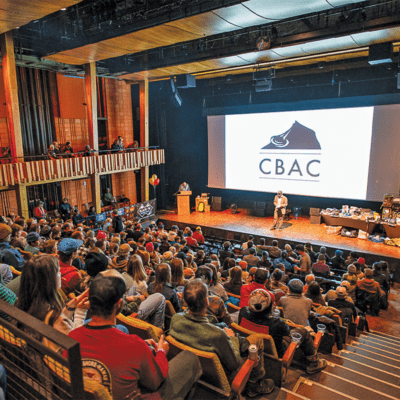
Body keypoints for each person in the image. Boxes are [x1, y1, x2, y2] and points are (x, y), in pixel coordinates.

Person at [67, 273, 202, 400]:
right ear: (119, 304)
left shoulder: (72, 336)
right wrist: (161, 352)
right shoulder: (135, 346)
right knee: (189, 358)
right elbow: (155, 382)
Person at [170, 279, 276, 397]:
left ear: (184, 300)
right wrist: (231, 338)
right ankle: (253, 385)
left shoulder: (175, 319)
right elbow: (234, 364)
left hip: (196, 372)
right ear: (207, 302)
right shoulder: (217, 334)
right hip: (221, 377)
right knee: (257, 339)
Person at [238, 289, 327, 374]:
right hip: (276, 353)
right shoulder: (277, 323)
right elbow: (287, 332)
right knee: (303, 331)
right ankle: (314, 363)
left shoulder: (242, 312)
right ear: (270, 307)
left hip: (250, 348)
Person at [16, 254, 89, 353]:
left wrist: (70, 308)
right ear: (49, 280)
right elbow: (78, 347)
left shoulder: (20, 302)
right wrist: (81, 312)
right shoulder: (54, 318)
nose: (60, 274)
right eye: (58, 271)